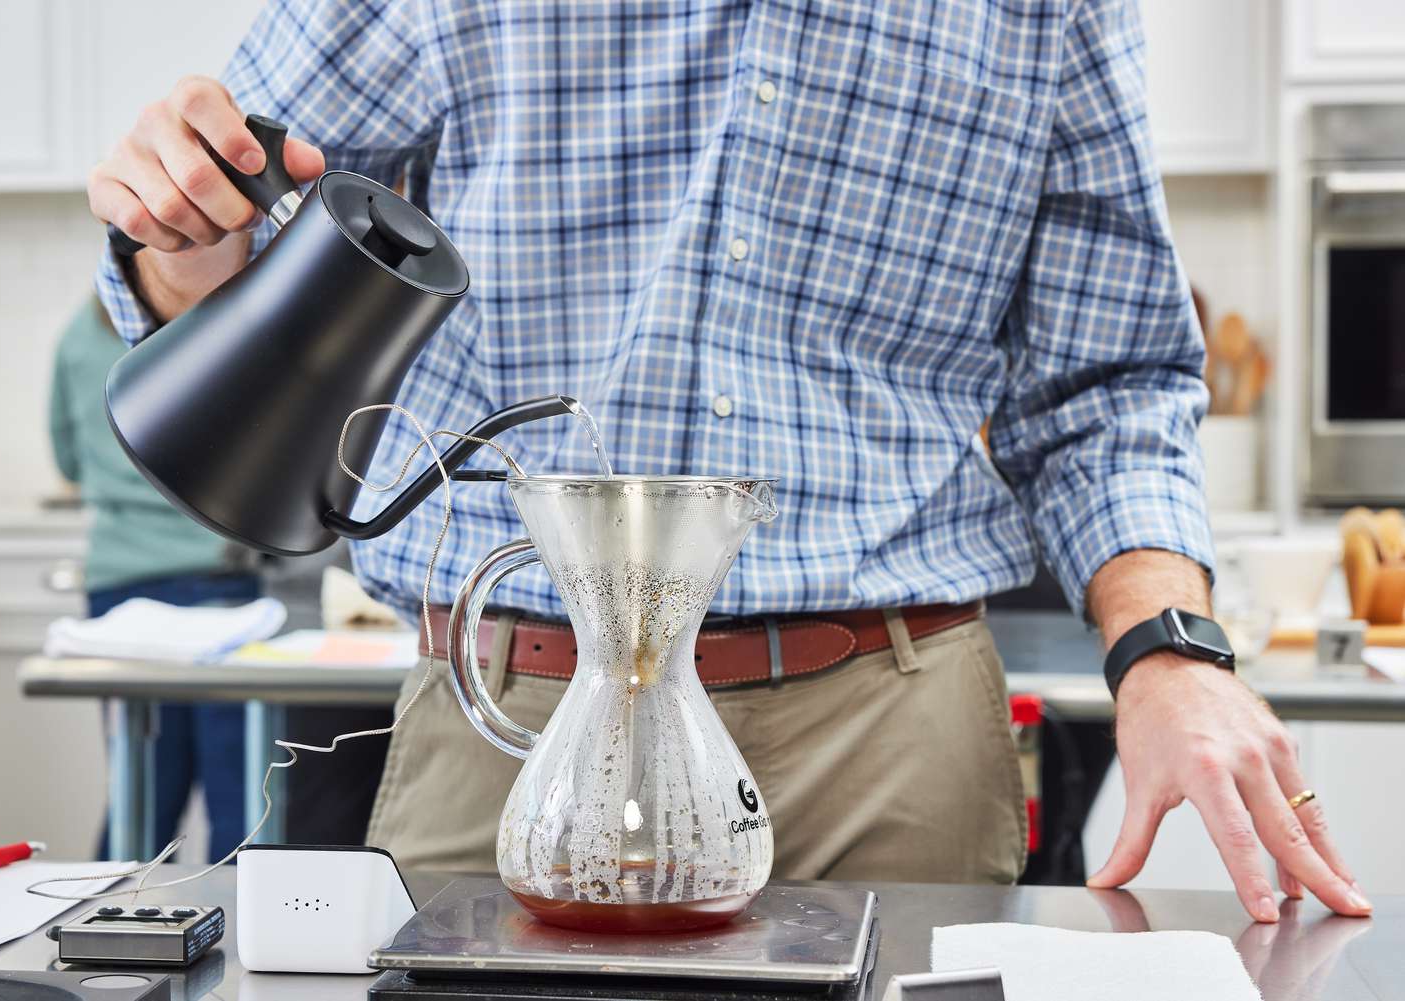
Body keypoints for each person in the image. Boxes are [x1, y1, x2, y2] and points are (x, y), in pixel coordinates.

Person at [86, 0, 1369, 922]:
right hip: (513, 716)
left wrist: (1170, 655)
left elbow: (1112, 377)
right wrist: (181, 237)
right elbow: (220, 249)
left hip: (892, 733)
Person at [49, 297, 256, 862]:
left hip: (119, 583)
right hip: (217, 583)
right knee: (236, 784)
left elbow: (68, 460)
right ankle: (240, 939)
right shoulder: (219, 328)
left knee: (140, 783)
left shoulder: (79, 336)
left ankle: (104, 936)